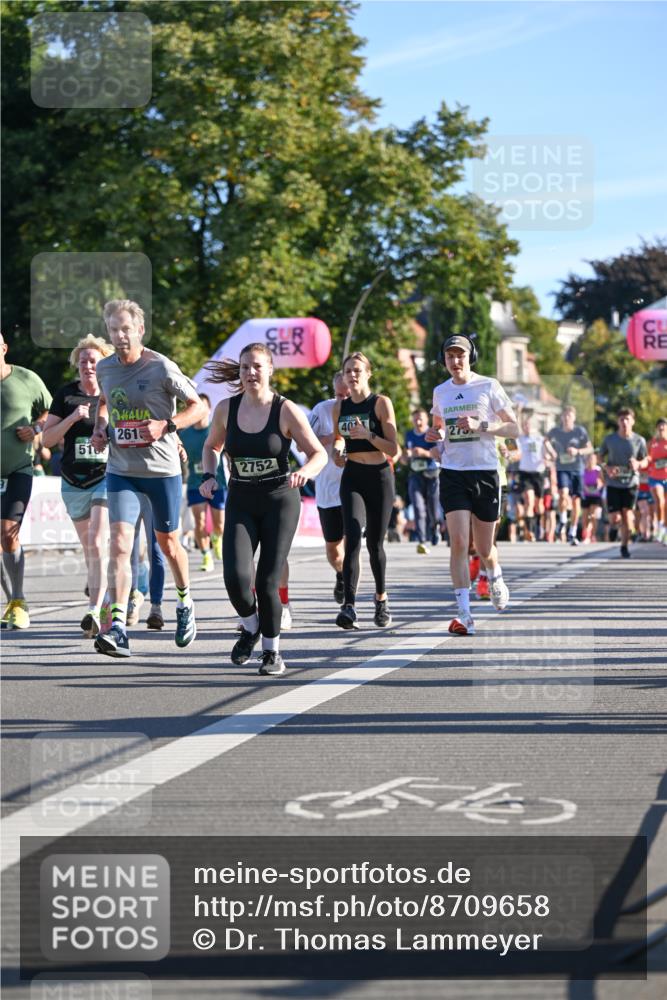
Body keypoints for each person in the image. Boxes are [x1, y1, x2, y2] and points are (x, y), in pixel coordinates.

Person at [200, 342, 326, 676]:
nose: (250, 373)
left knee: (267, 579)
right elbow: (211, 446)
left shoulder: (284, 410)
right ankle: (251, 625)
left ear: (270, 369)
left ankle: (271, 652)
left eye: (257, 366)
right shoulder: (227, 408)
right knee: (235, 579)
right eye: (244, 367)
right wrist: (209, 474)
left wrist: (305, 472)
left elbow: (318, 454)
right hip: (241, 497)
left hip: (280, 499)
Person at [90, 299, 206, 657]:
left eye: (126, 329)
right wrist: (100, 429)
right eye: (114, 330)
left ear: (140, 330)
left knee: (168, 544)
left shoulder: (161, 367)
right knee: (121, 544)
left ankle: (185, 602)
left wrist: (166, 426)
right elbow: (105, 402)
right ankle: (120, 628)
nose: (120, 336)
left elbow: (198, 407)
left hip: (161, 470)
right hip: (122, 470)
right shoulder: (106, 368)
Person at [425, 334, 519, 636]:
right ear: (445, 361)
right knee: (459, 543)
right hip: (453, 472)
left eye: (460, 355)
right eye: (450, 356)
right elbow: (439, 428)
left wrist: (483, 426)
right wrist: (435, 436)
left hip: (486, 472)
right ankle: (464, 614)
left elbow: (514, 427)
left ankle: (495, 577)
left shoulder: (488, 386)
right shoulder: (441, 391)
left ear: (470, 357)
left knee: (484, 546)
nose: (455, 361)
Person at [41, 334, 114, 637]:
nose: (87, 365)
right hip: (73, 481)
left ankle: (94, 611)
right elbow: (46, 440)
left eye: (93, 361)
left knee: (98, 542)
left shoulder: (112, 392)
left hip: (106, 477)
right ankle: (107, 601)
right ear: (77, 364)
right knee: (90, 551)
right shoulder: (66, 395)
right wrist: (72, 418)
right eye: (82, 361)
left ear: (102, 363)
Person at [332, 351, 400, 630]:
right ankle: (348, 606)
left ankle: (381, 599)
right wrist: (338, 452)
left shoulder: (381, 404)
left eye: (358, 370)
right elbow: (338, 439)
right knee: (352, 540)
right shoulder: (341, 406)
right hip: (353, 476)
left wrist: (369, 436)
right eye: (348, 371)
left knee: (374, 544)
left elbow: (395, 449)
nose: (353, 375)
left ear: (368, 373)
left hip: (380, 476)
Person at [0, 332, 52, 629]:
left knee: (8, 534)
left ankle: (19, 599)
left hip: (19, 468)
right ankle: (11, 602)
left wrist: (35, 428)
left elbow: (51, 411)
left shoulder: (26, 378)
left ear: (4, 348)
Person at [308, 371, 350, 605]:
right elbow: (300, 441)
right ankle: (341, 574)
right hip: (327, 488)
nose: (343, 400)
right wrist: (328, 438)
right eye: (338, 395)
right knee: (334, 551)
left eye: (347, 395)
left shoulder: (365, 409)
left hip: (354, 487)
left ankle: (349, 602)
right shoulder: (321, 410)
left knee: (351, 545)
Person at [179, 394, 226, 572]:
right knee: (198, 521)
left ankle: (217, 538)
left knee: (219, 524)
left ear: (208, 410)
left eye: (204, 407)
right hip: (194, 483)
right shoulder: (186, 434)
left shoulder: (217, 430)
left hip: (217, 483)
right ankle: (206, 554)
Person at [598, 407, 648, 559]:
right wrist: (607, 468)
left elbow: (646, 460)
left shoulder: (639, 440)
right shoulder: (610, 439)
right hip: (613, 483)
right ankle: (616, 528)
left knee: (627, 515)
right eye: (621, 419)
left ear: (633, 421)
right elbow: (599, 457)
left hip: (631, 483)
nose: (624, 422)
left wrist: (638, 464)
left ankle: (624, 547)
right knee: (615, 518)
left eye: (627, 419)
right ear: (618, 422)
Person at [547, 405, 593, 545]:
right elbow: (546, 441)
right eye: (565, 416)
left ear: (574, 418)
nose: (566, 418)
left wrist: (577, 451)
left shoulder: (580, 431)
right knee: (562, 494)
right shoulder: (556, 431)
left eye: (569, 416)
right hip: (562, 468)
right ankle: (562, 520)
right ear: (561, 417)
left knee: (576, 501)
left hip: (577, 469)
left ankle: (572, 532)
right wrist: (552, 453)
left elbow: (589, 448)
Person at [403, 407, 441, 554]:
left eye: (421, 419)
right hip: (415, 474)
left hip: (432, 474)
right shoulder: (409, 434)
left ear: (427, 420)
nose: (418, 422)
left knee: (432, 506)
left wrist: (423, 453)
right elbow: (406, 455)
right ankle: (422, 540)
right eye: (415, 419)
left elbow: (438, 454)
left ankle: (435, 527)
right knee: (418, 508)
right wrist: (405, 456)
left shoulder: (431, 433)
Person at [516, 410, 553, 541]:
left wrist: (549, 457)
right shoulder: (520, 439)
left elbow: (552, 454)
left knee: (539, 506)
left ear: (533, 426)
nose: (526, 427)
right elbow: (515, 451)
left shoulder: (541, 439)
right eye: (524, 425)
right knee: (528, 501)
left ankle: (539, 526)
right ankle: (530, 532)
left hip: (539, 474)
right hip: (525, 474)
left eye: (528, 425)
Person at [646, 417, 667, 545]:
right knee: (659, 501)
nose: (661, 429)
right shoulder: (652, 443)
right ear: (656, 428)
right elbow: (647, 456)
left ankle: (664, 531)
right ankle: (659, 526)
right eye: (659, 426)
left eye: (664, 426)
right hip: (655, 477)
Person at [581, 452, 604, 543]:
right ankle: (586, 534)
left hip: (596, 495)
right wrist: (585, 488)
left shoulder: (598, 470)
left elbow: (602, 482)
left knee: (593, 516)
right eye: (589, 459)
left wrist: (597, 487)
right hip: (586, 495)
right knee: (585, 517)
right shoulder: (584, 470)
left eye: (592, 459)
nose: (590, 461)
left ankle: (592, 534)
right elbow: (582, 481)